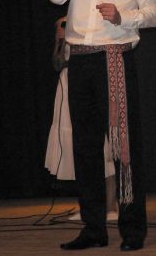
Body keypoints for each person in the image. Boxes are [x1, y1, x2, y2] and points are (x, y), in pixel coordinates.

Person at [47, 0, 156, 251]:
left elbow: (154, 12)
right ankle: (93, 229)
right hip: (80, 60)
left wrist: (123, 16)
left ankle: (133, 230)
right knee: (85, 148)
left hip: (114, 58)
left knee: (124, 147)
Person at [44, 16, 118, 222]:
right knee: (77, 147)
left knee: (104, 148)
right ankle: (87, 206)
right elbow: (57, 64)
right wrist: (60, 42)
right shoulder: (63, 24)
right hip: (68, 86)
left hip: (92, 84)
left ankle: (111, 206)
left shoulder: (91, 21)